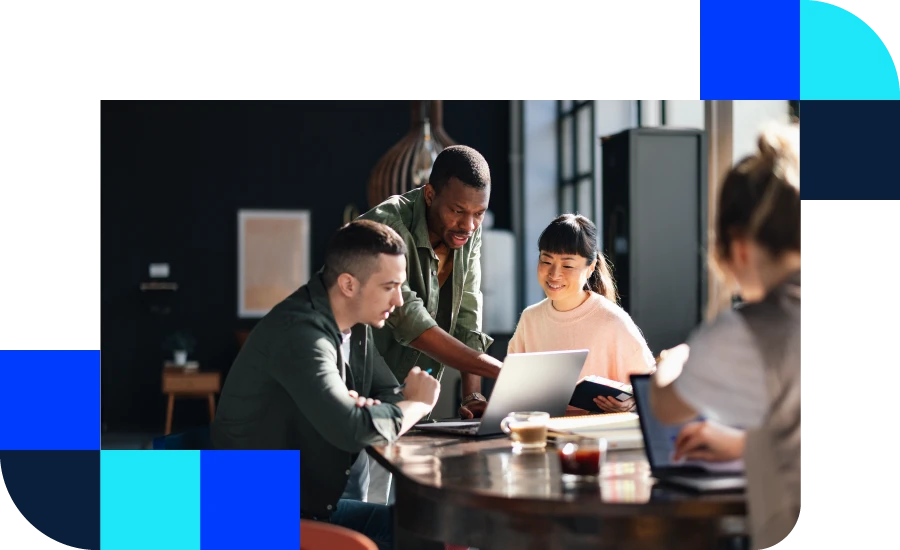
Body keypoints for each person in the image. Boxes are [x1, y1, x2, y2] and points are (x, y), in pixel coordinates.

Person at [210, 220, 441, 550]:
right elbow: (352, 429)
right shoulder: (300, 333)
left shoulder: (355, 326)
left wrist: (372, 411)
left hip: (311, 504)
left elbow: (388, 391)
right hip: (258, 516)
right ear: (348, 284)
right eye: (390, 286)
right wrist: (418, 404)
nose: (400, 301)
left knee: (425, 533)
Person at [650, 123, 802, 550]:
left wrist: (671, 363)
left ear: (739, 247)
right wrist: (743, 445)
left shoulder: (750, 329)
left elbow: (667, 405)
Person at [359, 145, 502, 420]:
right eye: (458, 211)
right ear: (429, 194)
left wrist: (473, 396)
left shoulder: (468, 231)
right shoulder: (385, 225)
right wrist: (501, 371)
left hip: (410, 408)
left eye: (479, 213)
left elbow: (467, 314)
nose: (469, 225)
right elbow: (409, 319)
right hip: (358, 392)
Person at [508, 214, 656, 413]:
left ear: (590, 268)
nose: (554, 274)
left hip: (596, 436)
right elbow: (511, 389)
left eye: (568, 265)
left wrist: (633, 402)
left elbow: (651, 387)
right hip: (542, 434)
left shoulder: (612, 321)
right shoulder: (530, 319)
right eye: (546, 261)